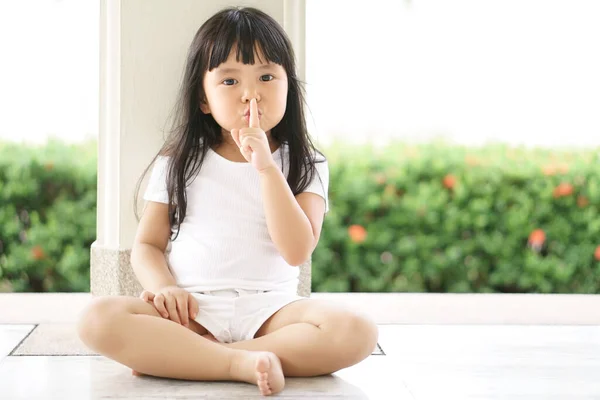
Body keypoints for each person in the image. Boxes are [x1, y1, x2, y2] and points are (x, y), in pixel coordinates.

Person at [77, 6, 378, 397]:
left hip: (273, 313)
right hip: (193, 310)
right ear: (203, 99)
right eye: (230, 81)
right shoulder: (178, 162)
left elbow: (297, 249)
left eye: (267, 77)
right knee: (97, 319)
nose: (251, 93)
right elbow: (147, 246)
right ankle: (239, 362)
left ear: (289, 86)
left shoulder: (307, 163)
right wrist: (166, 289)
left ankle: (201, 359)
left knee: (357, 331)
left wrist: (267, 169)